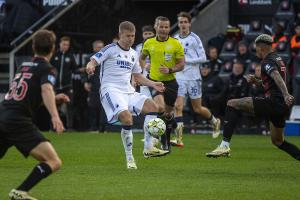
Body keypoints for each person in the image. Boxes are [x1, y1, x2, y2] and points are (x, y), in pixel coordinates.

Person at [86, 21, 169, 169]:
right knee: (127, 118)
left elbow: (137, 77)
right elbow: (93, 60)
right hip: (111, 90)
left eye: (133, 36)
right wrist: (90, 66)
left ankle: (148, 147)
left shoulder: (133, 54)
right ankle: (130, 158)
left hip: (128, 91)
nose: (131, 39)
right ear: (120, 35)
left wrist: (152, 84)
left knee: (153, 107)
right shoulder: (110, 49)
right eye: (127, 36)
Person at [206, 34, 300, 161]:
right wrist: (257, 82)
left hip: (273, 102)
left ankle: (224, 146)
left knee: (232, 103)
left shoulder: (267, 61)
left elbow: (276, 76)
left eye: (256, 49)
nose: (256, 52)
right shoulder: (278, 58)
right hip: (281, 105)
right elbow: (274, 81)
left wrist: (286, 94)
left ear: (262, 48)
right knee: (278, 141)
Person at [0, 30, 69, 200]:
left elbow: (27, 96)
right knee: (53, 161)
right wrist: (55, 115)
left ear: (33, 47)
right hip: (17, 121)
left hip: (3, 114)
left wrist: (54, 98)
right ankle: (20, 192)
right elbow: (46, 89)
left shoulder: (23, 66)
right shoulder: (47, 68)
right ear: (53, 48)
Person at [171, 11, 220, 147]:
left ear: (189, 24)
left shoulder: (195, 38)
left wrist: (187, 61)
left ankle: (215, 122)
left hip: (193, 78)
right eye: (180, 22)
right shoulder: (175, 39)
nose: (183, 24)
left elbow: (203, 58)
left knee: (197, 108)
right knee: (178, 106)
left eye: (185, 22)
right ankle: (179, 138)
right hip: (180, 77)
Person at [140, 16, 185, 151]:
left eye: (166, 27)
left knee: (168, 115)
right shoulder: (149, 43)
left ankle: (172, 129)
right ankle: (164, 142)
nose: (164, 29)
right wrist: (145, 67)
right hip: (154, 81)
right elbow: (141, 58)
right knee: (159, 108)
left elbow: (182, 64)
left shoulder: (175, 43)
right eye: (161, 27)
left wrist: (170, 69)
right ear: (156, 27)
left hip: (171, 83)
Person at [50, 36, 85, 129]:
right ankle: (54, 127)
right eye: (64, 44)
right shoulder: (54, 54)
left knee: (70, 105)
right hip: (55, 86)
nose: (65, 46)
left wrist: (83, 69)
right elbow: (48, 67)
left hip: (67, 86)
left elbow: (75, 70)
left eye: (67, 45)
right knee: (54, 107)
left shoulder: (70, 56)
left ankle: (69, 127)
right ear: (60, 44)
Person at [84, 40, 107, 132]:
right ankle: (93, 127)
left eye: (102, 47)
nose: (100, 49)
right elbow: (84, 72)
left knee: (104, 107)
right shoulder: (89, 58)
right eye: (98, 47)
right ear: (94, 48)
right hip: (93, 86)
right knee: (93, 107)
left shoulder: (107, 58)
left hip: (105, 85)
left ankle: (103, 128)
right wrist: (85, 82)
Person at [135, 25, 155, 97]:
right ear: (142, 35)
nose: (147, 36)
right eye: (145, 34)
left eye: (150, 33)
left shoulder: (159, 45)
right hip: (144, 75)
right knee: (145, 98)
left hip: (157, 74)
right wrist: (135, 78)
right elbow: (136, 64)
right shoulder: (138, 47)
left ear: (154, 34)